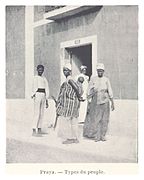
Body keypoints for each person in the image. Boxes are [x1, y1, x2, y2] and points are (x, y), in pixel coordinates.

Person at [83, 63, 115, 142]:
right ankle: (96, 136)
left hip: (105, 101)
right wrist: (89, 100)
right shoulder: (93, 79)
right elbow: (89, 90)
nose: (100, 72)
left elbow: (110, 90)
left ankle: (103, 135)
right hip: (96, 101)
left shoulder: (106, 79)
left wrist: (112, 102)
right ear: (97, 71)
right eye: (98, 71)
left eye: (101, 71)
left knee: (105, 119)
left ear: (103, 71)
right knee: (96, 119)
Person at [56, 63, 83, 144]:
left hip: (70, 104)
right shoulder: (70, 79)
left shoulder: (70, 79)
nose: (64, 72)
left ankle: (70, 138)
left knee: (67, 120)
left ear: (70, 71)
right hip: (71, 103)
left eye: (66, 70)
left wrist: (79, 96)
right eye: (64, 70)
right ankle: (74, 138)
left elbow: (77, 89)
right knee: (73, 121)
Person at [31, 64, 49, 137]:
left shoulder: (44, 79)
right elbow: (33, 87)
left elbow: (46, 88)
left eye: (42, 70)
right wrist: (33, 95)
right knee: (37, 113)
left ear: (43, 71)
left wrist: (46, 99)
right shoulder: (35, 78)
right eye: (39, 69)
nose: (40, 71)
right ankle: (33, 129)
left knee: (42, 113)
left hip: (43, 95)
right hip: (38, 94)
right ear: (37, 70)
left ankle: (39, 128)